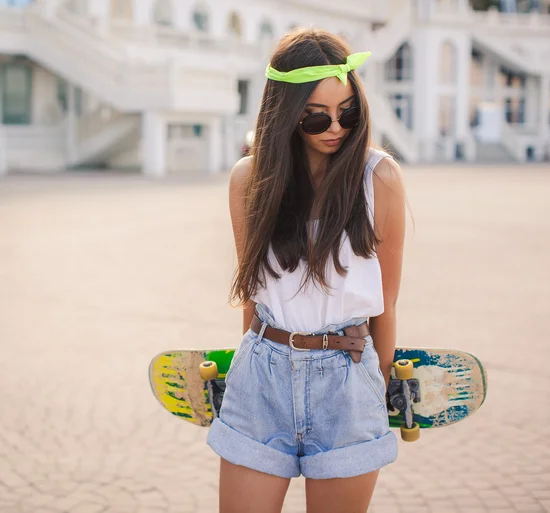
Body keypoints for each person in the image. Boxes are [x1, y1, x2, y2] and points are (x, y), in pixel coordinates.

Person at [206, 28, 408, 513]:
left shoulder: (378, 177)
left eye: (348, 111)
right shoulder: (248, 181)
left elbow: (388, 300)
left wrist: (375, 385)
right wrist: (243, 369)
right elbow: (251, 293)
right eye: (316, 116)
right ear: (285, 114)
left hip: (348, 378)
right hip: (261, 373)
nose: (335, 127)